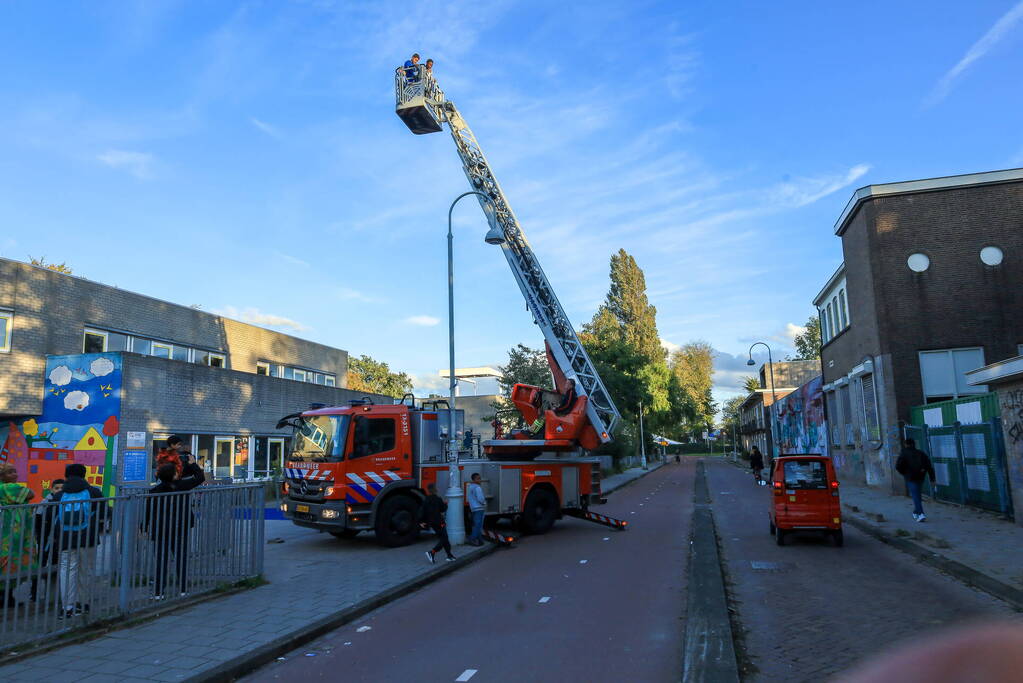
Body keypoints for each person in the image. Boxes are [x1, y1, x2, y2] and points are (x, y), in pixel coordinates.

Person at [51, 463, 104, 618]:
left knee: (67, 570)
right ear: (84, 474)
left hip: (65, 538)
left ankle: (67, 607)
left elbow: (52, 516)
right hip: (88, 537)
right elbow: (103, 512)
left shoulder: (59, 494)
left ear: (66, 475)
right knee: (86, 570)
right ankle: (83, 603)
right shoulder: (93, 492)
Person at [146, 463, 196, 599]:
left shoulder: (155, 491)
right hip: (180, 528)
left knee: (161, 560)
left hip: (161, 529)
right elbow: (200, 477)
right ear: (173, 475)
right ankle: (183, 590)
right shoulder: (182, 486)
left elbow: (149, 511)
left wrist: (144, 527)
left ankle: (158, 592)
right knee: (181, 558)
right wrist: (192, 464)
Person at [0, 464, 36, 608]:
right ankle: (6, 597)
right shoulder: (7, 487)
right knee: (10, 561)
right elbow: (30, 493)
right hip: (12, 531)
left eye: (15, 471)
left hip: (8, 530)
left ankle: (7, 596)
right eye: (10, 473)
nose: (14, 475)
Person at [29, 478, 63, 602]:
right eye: (57, 488)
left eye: (61, 488)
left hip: (57, 539)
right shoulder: (45, 502)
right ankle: (33, 592)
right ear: (51, 489)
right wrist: (38, 536)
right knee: (40, 564)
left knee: (55, 565)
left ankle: (51, 594)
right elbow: (37, 520)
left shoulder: (64, 502)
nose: (59, 490)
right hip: (44, 537)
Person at [895, 437, 936, 522]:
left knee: (915, 496)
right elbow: (929, 466)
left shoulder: (904, 453)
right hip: (920, 477)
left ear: (906, 444)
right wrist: (932, 478)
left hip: (910, 477)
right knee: (917, 495)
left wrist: (904, 473)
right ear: (914, 444)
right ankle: (915, 512)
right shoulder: (921, 453)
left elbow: (898, 466)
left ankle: (921, 514)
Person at [421, 483, 455, 563]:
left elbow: (423, 511)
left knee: (444, 538)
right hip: (439, 522)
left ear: (428, 490)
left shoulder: (426, 500)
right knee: (444, 538)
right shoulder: (438, 499)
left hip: (432, 523)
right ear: (434, 489)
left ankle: (449, 555)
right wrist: (446, 504)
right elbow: (443, 509)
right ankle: (432, 552)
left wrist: (422, 522)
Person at [467, 473, 486, 546]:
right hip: (479, 508)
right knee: (478, 525)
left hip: (473, 508)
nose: (480, 480)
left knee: (476, 524)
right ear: (474, 479)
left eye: (480, 478)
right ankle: (472, 538)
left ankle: (480, 540)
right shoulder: (478, 487)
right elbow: (480, 498)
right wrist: (484, 503)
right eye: (478, 478)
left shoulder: (470, 487)